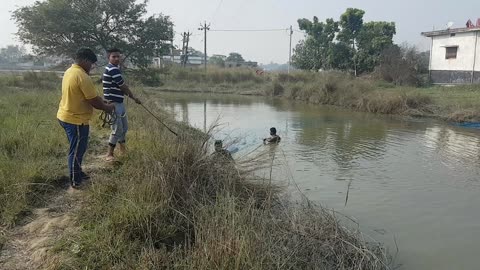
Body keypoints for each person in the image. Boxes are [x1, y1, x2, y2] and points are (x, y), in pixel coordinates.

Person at [57, 48, 115, 189]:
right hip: (75, 120)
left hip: (65, 116)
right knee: (76, 150)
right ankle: (75, 180)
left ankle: (78, 172)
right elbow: (94, 101)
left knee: (78, 148)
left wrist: (102, 101)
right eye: (92, 64)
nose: (92, 67)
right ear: (85, 61)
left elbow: (90, 96)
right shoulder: (82, 76)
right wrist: (107, 107)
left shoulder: (70, 71)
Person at [103, 48, 141, 161]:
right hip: (113, 104)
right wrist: (134, 98)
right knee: (117, 129)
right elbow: (123, 86)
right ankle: (109, 154)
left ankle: (123, 150)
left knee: (124, 128)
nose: (116, 58)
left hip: (119, 103)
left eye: (118, 56)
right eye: (113, 56)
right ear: (108, 58)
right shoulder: (112, 69)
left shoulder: (116, 69)